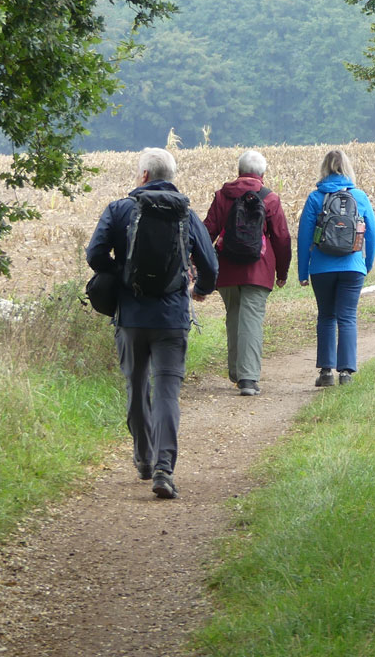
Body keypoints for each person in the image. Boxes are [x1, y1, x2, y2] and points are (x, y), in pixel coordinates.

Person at [86, 147, 218, 500]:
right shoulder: (186, 214)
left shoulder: (119, 209)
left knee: (136, 386)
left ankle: (143, 459)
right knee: (167, 393)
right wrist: (198, 289)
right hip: (172, 318)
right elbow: (211, 266)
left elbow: (94, 255)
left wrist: (122, 274)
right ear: (170, 177)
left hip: (131, 317)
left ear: (143, 175)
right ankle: (164, 469)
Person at [202, 150, 292, 397]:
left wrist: (196, 263)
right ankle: (248, 378)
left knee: (234, 317)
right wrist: (281, 271)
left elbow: (207, 231)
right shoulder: (270, 198)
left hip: (228, 268)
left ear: (239, 171)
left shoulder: (223, 196)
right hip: (258, 269)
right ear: (262, 174)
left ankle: (236, 372)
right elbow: (282, 238)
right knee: (251, 320)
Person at [297, 149, 375, 388]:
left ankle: (325, 373)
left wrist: (303, 272)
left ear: (325, 168)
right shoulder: (360, 196)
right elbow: (373, 232)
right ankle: (346, 373)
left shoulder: (315, 198)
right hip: (353, 266)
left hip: (321, 267)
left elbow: (303, 237)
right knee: (347, 317)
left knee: (326, 316)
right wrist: (367, 263)